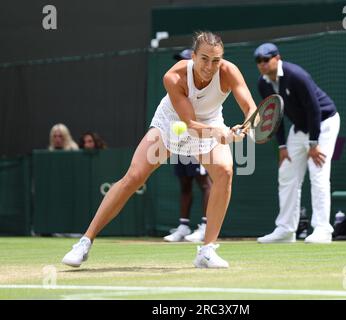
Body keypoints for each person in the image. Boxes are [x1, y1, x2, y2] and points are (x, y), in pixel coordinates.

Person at [62, 31, 257, 269]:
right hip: (172, 124)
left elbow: (250, 107)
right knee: (133, 177)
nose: (210, 66)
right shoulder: (173, 77)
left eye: (215, 60)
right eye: (204, 59)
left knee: (225, 172)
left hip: (211, 122)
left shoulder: (229, 71)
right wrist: (220, 134)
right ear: (193, 56)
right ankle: (84, 242)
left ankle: (206, 251)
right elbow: (190, 125)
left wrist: (244, 127)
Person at [254, 43, 340, 244]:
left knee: (318, 174)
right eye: (258, 61)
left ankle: (322, 229)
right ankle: (285, 229)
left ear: (277, 58)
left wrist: (313, 143)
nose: (262, 64)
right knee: (286, 174)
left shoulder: (296, 75)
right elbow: (274, 117)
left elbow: (314, 109)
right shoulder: (263, 84)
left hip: (324, 123)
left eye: (266, 59)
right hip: (299, 127)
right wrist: (282, 147)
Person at [164, 49, 212, 243]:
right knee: (184, 181)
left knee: (204, 182)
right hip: (180, 139)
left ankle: (206, 226)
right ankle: (183, 226)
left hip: (198, 139)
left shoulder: (200, 86)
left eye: (183, 61)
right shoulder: (176, 83)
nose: (179, 65)